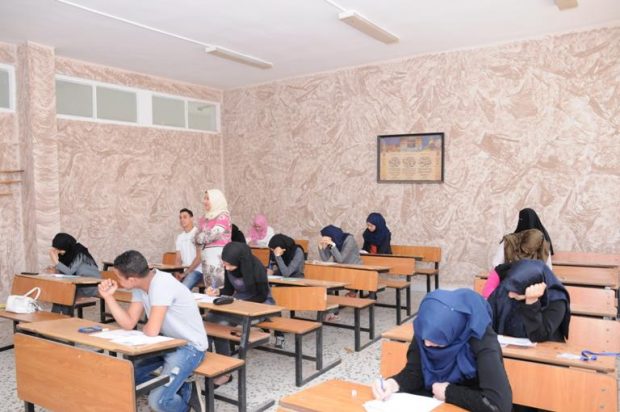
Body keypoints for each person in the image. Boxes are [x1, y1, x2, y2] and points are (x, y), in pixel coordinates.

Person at [98, 250, 208, 412]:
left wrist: (149, 328)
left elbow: (152, 330)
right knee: (124, 378)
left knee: (158, 402)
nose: (117, 281)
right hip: (165, 342)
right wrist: (108, 297)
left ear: (132, 279)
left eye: (119, 277)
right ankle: (181, 386)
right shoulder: (140, 285)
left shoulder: (162, 284)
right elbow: (129, 323)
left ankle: (184, 403)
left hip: (189, 347)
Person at [373, 289, 512, 412]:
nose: (426, 344)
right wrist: (393, 384)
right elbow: (415, 372)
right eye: (423, 338)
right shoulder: (427, 329)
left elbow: (497, 405)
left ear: (453, 332)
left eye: (436, 341)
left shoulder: (482, 340)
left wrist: (448, 392)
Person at [206, 242, 274, 355]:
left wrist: (241, 303)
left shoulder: (257, 267)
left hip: (259, 305)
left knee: (221, 324)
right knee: (210, 318)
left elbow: (262, 296)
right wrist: (217, 292)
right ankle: (208, 355)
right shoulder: (229, 266)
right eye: (224, 264)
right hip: (238, 303)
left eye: (229, 265)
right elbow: (228, 290)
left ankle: (224, 361)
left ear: (240, 261)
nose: (226, 267)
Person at [487, 259, 570, 343]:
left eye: (517, 288)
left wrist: (532, 302)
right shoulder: (507, 288)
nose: (510, 294)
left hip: (545, 348)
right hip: (510, 348)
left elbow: (539, 336)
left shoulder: (556, 300)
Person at [482, 228, 550, 298]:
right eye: (524, 250)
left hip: (531, 287)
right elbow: (496, 264)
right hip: (506, 280)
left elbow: (547, 272)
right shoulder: (508, 243)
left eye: (529, 252)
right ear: (522, 239)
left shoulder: (544, 250)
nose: (526, 253)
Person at [48, 233, 101, 315]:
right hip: (76, 285)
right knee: (60, 294)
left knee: (66, 294)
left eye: (59, 250)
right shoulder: (67, 254)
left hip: (89, 286)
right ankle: (56, 318)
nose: (58, 252)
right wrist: (55, 270)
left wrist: (55, 261)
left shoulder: (79, 253)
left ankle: (64, 318)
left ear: (66, 246)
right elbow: (66, 274)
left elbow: (70, 272)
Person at [194, 189, 232, 288]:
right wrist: (200, 237)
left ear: (216, 200)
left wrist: (200, 237)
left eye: (207, 198)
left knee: (219, 288)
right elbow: (195, 237)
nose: (204, 201)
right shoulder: (203, 218)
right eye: (204, 198)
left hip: (219, 257)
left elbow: (215, 233)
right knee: (209, 289)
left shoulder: (223, 216)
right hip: (206, 257)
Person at [319, 225, 362, 299]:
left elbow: (340, 259)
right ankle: (330, 294)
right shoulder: (333, 242)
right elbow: (325, 258)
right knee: (324, 274)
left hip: (353, 268)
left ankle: (352, 292)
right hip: (340, 269)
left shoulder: (349, 240)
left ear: (332, 236)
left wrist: (332, 245)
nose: (325, 239)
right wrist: (320, 247)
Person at [175, 208, 203, 290]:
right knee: (169, 285)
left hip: (198, 270)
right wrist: (177, 273)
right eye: (180, 217)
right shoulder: (180, 237)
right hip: (184, 271)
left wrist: (185, 274)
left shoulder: (198, 234)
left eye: (185, 217)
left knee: (183, 289)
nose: (182, 220)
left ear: (191, 218)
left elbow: (199, 258)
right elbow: (178, 259)